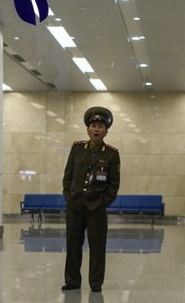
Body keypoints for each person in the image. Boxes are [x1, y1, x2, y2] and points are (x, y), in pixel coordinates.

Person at [61, 106, 121, 293]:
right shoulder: (77, 148)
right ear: (88, 129)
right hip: (75, 206)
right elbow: (68, 175)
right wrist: (68, 197)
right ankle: (72, 281)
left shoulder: (111, 154)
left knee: (97, 247)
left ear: (106, 131)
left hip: (96, 209)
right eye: (93, 125)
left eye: (100, 126)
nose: (96, 129)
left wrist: (104, 202)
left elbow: (113, 184)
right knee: (72, 245)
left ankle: (96, 284)